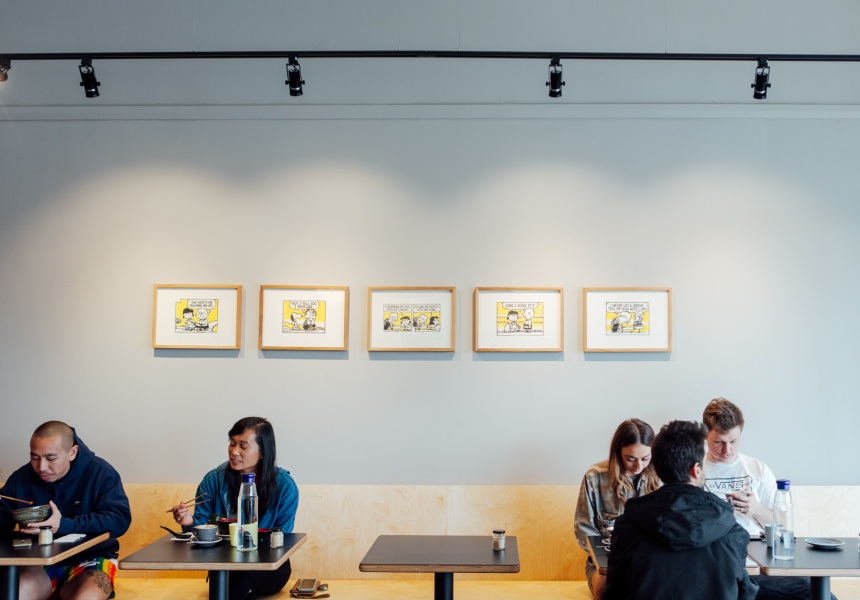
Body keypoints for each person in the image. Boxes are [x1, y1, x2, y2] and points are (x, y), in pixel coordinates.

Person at [603, 420, 758, 600]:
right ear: (696, 469)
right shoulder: (732, 531)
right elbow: (744, 592)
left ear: (658, 469)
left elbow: (614, 593)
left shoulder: (627, 526)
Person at [702, 398, 835, 600]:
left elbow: (784, 527)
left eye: (733, 441)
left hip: (757, 564)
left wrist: (756, 509)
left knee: (822, 596)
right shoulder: (695, 469)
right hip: (713, 563)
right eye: (719, 442)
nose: (727, 450)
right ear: (706, 435)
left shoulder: (758, 470)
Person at [0, 421, 132, 600]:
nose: (41, 467)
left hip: (92, 559)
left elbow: (120, 519)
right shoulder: (21, 477)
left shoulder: (101, 472)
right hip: (39, 563)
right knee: (16, 593)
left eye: (51, 458)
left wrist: (64, 525)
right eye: (35, 458)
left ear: (72, 452)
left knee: (88, 597)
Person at [172, 417, 299, 600]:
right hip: (224, 567)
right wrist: (189, 521)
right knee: (237, 587)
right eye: (232, 444)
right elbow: (201, 533)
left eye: (243, 446)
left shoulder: (285, 486)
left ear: (263, 452)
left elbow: (281, 539)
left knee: (240, 580)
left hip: (269, 567)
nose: (234, 451)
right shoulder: (214, 480)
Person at [575, 419, 660, 600]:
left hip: (647, 560)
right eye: (631, 458)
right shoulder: (595, 477)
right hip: (606, 563)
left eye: (645, 458)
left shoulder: (659, 478)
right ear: (617, 452)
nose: (639, 466)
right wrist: (605, 558)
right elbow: (584, 529)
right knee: (605, 588)